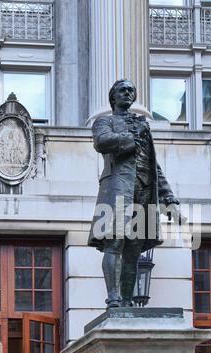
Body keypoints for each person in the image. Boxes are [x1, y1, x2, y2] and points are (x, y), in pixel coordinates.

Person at [88, 79, 183, 308]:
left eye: (131, 90)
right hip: (118, 189)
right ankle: (113, 297)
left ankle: (128, 301)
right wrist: (132, 138)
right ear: (113, 96)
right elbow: (101, 142)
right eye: (123, 90)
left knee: (134, 249)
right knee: (115, 242)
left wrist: (167, 196)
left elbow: (154, 165)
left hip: (144, 190)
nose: (127, 93)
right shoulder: (105, 121)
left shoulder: (142, 126)